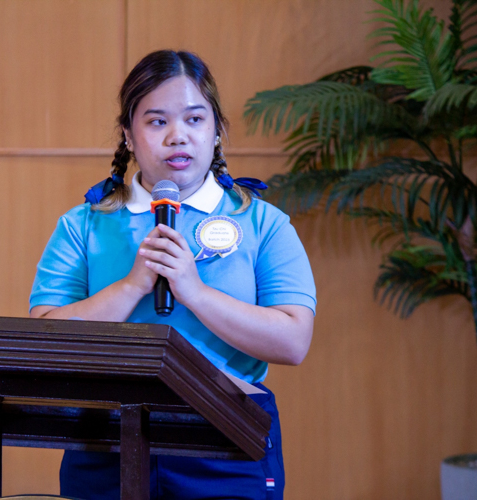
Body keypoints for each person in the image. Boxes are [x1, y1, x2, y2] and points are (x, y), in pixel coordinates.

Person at [29, 50, 316, 500]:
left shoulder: (263, 222)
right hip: (104, 438)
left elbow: (293, 342)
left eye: (195, 120)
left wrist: (194, 292)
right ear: (128, 134)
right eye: (157, 122)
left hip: (226, 434)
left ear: (217, 132)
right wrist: (132, 286)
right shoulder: (82, 224)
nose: (177, 137)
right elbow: (43, 345)